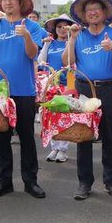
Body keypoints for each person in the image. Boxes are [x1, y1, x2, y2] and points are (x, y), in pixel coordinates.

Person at [0, 0, 48, 199]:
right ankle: (4, 181)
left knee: (27, 137)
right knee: (1, 138)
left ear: (21, 3)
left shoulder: (33, 27)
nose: (8, 2)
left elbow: (32, 55)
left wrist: (26, 36)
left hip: (24, 91)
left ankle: (31, 182)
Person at [65, 0, 112, 200]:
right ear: (84, 15)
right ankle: (84, 182)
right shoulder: (79, 35)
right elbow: (66, 61)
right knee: (83, 136)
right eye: (88, 10)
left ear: (104, 13)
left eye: (96, 9)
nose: (92, 12)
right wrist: (73, 39)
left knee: (109, 135)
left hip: (109, 89)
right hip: (84, 88)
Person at [38, 14, 72, 163]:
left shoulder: (71, 43)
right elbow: (41, 61)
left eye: (65, 27)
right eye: (59, 27)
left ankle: (63, 149)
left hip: (68, 84)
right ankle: (54, 147)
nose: (62, 30)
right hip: (52, 84)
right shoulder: (51, 44)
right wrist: (45, 44)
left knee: (64, 115)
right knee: (51, 116)